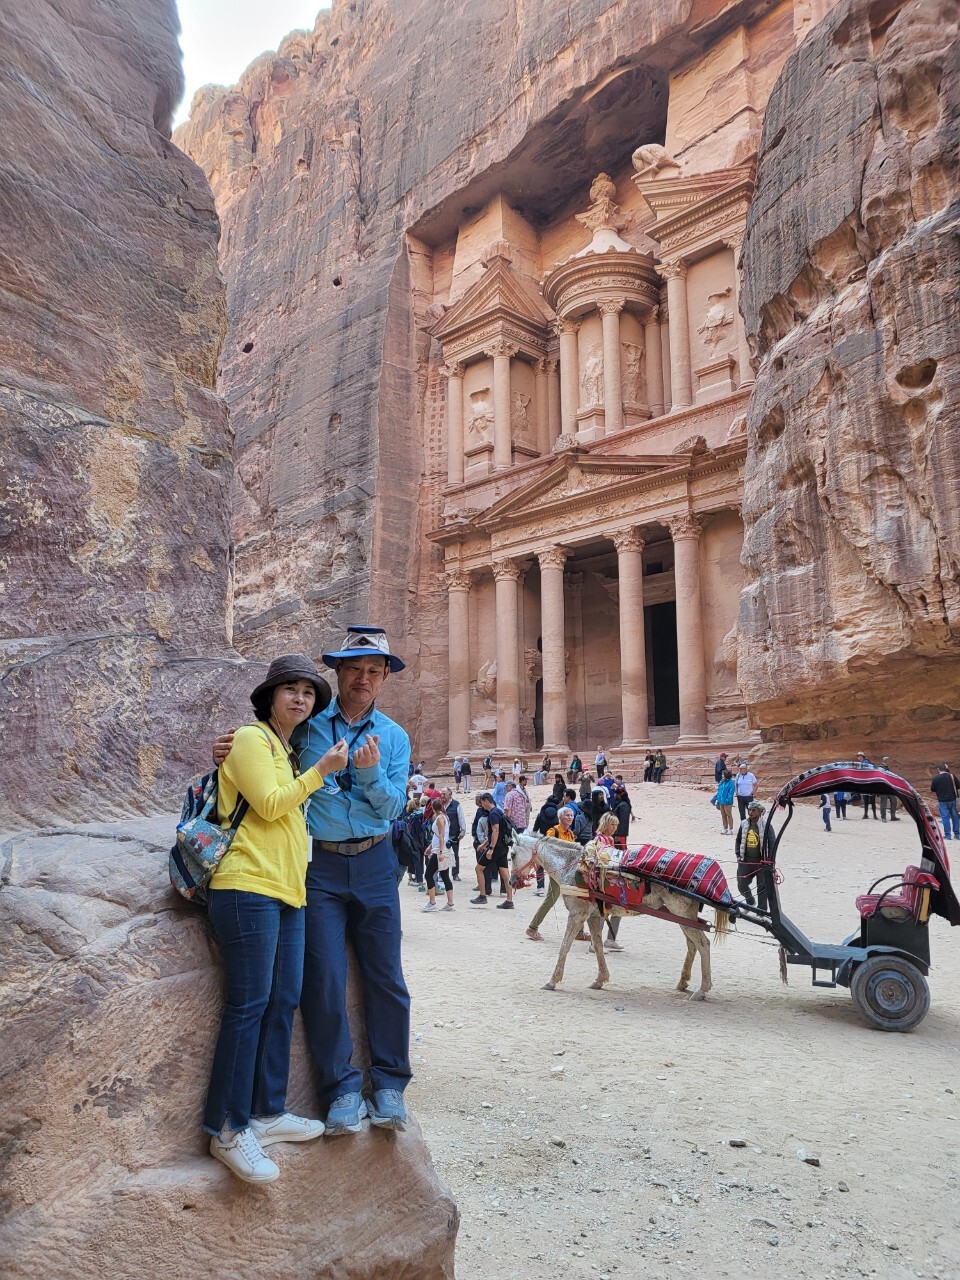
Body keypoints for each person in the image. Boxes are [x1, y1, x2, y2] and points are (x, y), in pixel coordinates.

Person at [216, 627, 413, 1137]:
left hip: (375, 861)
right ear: (338, 672)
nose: (363, 678)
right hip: (318, 866)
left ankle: (390, 1084)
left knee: (386, 974)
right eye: (354, 669)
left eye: (374, 671)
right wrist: (227, 751)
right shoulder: (305, 729)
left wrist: (370, 775)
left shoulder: (394, 737)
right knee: (322, 976)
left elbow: (393, 808)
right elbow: (268, 753)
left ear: (385, 677)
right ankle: (340, 1089)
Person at [204, 655, 346, 1183]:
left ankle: (266, 1112)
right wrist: (321, 772)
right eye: (290, 689)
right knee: (248, 1006)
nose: (300, 698)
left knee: (283, 1000)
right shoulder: (250, 739)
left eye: (308, 692)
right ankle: (227, 1127)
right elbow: (267, 804)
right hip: (245, 886)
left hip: (286, 891)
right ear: (270, 697)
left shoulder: (285, 750)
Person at [525, 805, 577, 940]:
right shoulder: (554, 831)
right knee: (551, 899)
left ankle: (579, 931)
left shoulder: (570, 833)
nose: (570, 817)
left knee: (578, 898)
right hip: (558, 872)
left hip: (568, 872)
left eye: (571, 815)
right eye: (567, 815)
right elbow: (546, 849)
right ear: (561, 817)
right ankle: (532, 927)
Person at [471, 792, 515, 907]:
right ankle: (509, 900)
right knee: (505, 874)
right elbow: (494, 833)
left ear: (486, 801)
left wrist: (491, 848)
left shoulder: (493, 814)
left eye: (482, 803)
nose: (482, 806)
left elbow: (495, 830)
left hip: (496, 847)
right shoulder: (499, 812)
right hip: (503, 847)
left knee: (479, 869)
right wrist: (484, 845)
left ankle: (482, 896)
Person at [735, 800, 770, 908]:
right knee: (741, 884)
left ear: (760, 812)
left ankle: (762, 910)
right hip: (746, 860)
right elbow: (738, 840)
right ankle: (750, 901)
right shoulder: (744, 824)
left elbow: (772, 842)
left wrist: (769, 860)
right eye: (749, 810)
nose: (751, 812)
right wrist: (738, 854)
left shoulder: (766, 825)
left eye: (754, 810)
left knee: (762, 887)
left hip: (761, 862)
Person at [422, 798, 454, 912]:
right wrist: (430, 847)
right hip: (440, 848)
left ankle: (432, 902)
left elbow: (441, 835)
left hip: (440, 850)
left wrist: (440, 852)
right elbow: (439, 835)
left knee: (428, 874)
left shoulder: (440, 818)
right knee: (444, 875)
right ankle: (450, 903)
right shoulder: (444, 817)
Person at [441, 786, 466, 880]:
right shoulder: (439, 804)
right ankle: (442, 874)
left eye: (444, 794)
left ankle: (455, 874)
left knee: (455, 854)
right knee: (442, 854)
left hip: (453, 833)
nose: (442, 796)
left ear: (450, 794)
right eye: (441, 794)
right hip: (442, 834)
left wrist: (463, 830)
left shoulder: (456, 805)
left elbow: (461, 818)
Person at [931, 764, 960, 840]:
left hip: (942, 800)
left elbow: (932, 789)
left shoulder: (936, 778)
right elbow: (958, 786)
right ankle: (957, 834)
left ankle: (948, 835)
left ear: (938, 769)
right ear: (946, 768)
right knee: (955, 817)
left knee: (945, 818)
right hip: (952, 800)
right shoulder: (952, 776)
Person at [714, 768, 735, 835]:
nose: (722, 776)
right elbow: (719, 791)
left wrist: (727, 800)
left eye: (723, 774)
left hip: (727, 802)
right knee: (723, 815)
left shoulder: (731, 783)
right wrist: (717, 799)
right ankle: (725, 828)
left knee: (729, 815)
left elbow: (731, 793)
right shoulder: (722, 782)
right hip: (721, 801)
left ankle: (730, 829)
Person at [879, 757, 899, 821]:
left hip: (889, 788)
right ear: (885, 761)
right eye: (888, 761)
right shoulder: (880, 768)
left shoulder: (887, 768)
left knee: (894, 801)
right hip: (883, 788)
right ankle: (883, 817)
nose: (890, 762)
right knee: (883, 803)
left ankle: (893, 816)